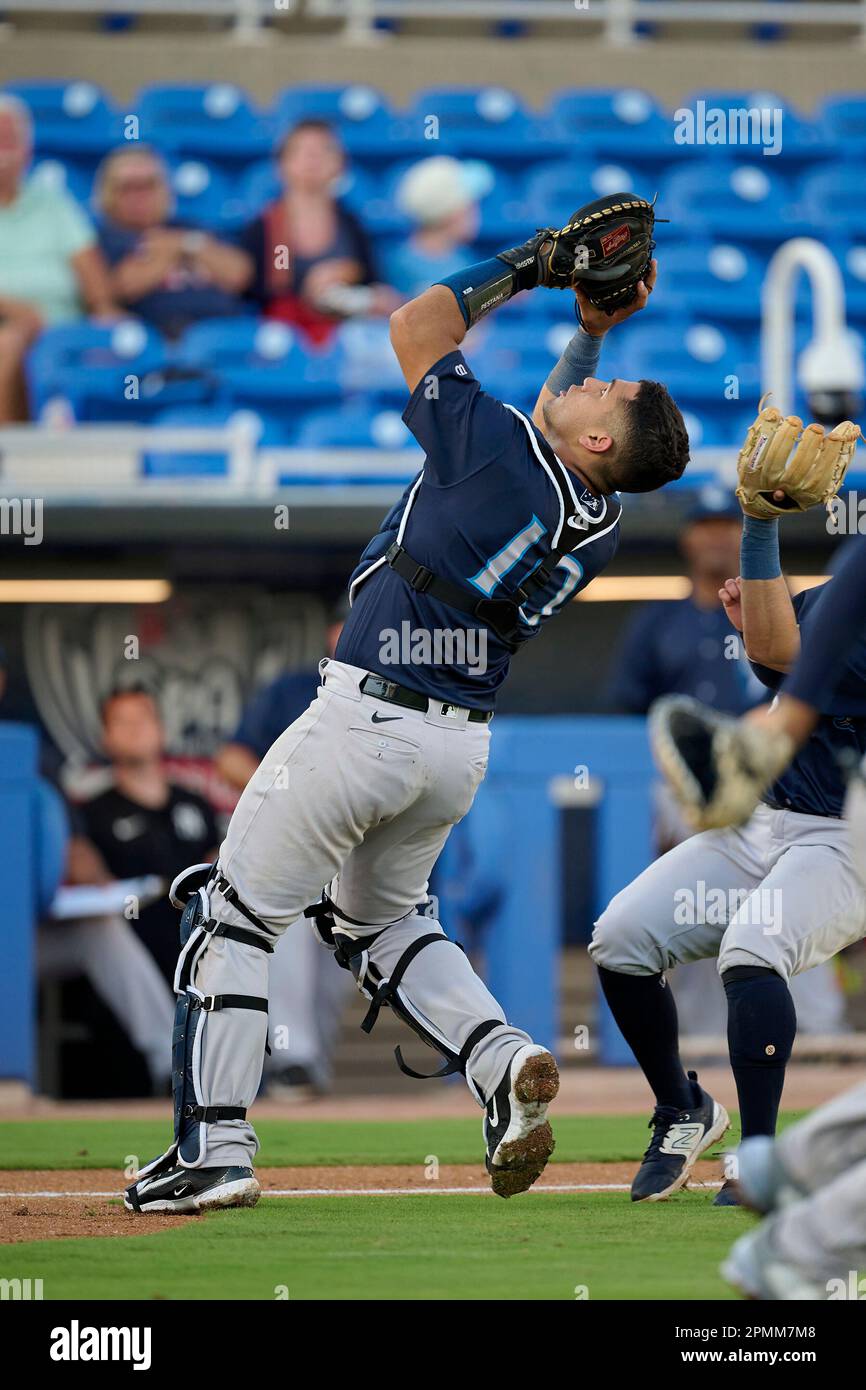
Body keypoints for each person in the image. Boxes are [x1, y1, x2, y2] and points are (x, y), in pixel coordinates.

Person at [124, 208, 689, 1217]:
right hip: (450, 748)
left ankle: (213, 1144)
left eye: (603, 389)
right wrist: (591, 330)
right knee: (379, 919)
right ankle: (501, 1057)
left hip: (361, 721)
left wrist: (530, 264)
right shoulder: (595, 518)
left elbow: (416, 326)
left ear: (598, 435)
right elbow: (562, 417)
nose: (586, 381)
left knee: (232, 916)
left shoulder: (503, 454)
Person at [590, 465, 866, 1206]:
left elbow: (779, 653)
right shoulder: (854, 576)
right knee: (620, 937)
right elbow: (778, 636)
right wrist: (762, 522)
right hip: (767, 821)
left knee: (755, 949)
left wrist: (761, 568)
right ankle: (683, 1106)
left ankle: (759, 1154)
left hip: (847, 841)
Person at [608, 491, 846, 1040]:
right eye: (705, 524)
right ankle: (705, 1042)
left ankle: (820, 1036)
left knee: (794, 909)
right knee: (690, 908)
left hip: (781, 775)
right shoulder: (659, 620)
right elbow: (628, 710)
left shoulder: (782, 612)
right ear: (687, 537)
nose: (717, 535)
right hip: (686, 778)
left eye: (726, 524)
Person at [215, 603, 351, 1099]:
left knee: (340, 960)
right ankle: (293, 1061)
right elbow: (231, 759)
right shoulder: (295, 689)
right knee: (289, 932)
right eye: (344, 626)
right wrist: (284, 794)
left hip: (353, 849)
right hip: (294, 838)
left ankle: (306, 1066)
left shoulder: (398, 695)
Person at [69, 686, 220, 986]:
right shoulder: (92, 814)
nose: (135, 729)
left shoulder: (196, 804)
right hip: (132, 964)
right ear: (105, 738)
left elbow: (220, 866)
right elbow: (89, 881)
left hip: (205, 957)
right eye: (122, 721)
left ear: (161, 730)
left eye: (143, 717)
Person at [0, 94, 117, 422]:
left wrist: (105, 311)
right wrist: (13, 308)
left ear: (28, 150)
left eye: (9, 140)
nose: (2, 153)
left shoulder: (54, 205)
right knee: (8, 342)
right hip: (11, 330)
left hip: (60, 331)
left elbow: (95, 283)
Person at [239, 119, 396, 343]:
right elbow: (252, 292)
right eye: (302, 151)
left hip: (345, 337)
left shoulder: (351, 223)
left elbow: (373, 281)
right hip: (283, 340)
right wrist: (308, 289)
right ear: (282, 165)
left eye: (324, 150)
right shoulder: (263, 226)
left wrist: (349, 276)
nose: (313, 158)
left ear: (340, 164)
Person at [94, 145, 253, 339]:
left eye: (149, 185)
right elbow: (123, 287)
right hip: (159, 340)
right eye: (129, 187)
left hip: (224, 330)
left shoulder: (188, 226)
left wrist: (181, 243)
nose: (140, 195)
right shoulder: (107, 237)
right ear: (110, 194)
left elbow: (239, 274)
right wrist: (182, 251)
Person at [387, 156, 488, 301]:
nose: (477, 214)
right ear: (452, 213)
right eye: (471, 206)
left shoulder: (465, 257)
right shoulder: (402, 264)